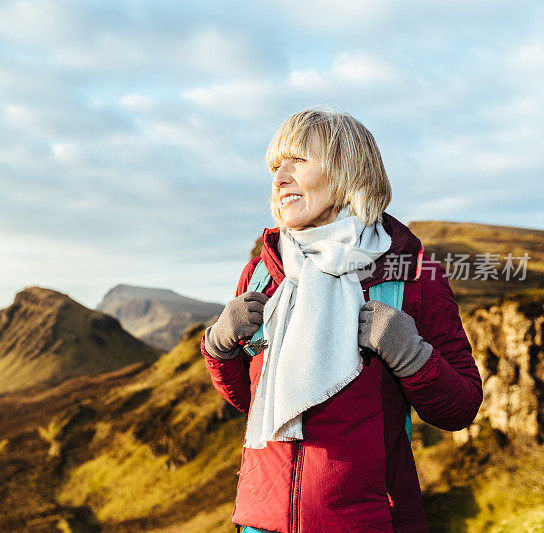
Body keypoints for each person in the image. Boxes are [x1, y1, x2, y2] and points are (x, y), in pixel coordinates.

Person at [201, 106, 483, 533]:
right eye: (276, 166)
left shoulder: (413, 275)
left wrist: (410, 354)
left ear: (349, 169)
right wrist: (219, 346)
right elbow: (249, 401)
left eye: (299, 160)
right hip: (260, 523)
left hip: (367, 521)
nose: (280, 178)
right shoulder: (262, 273)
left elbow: (460, 407)